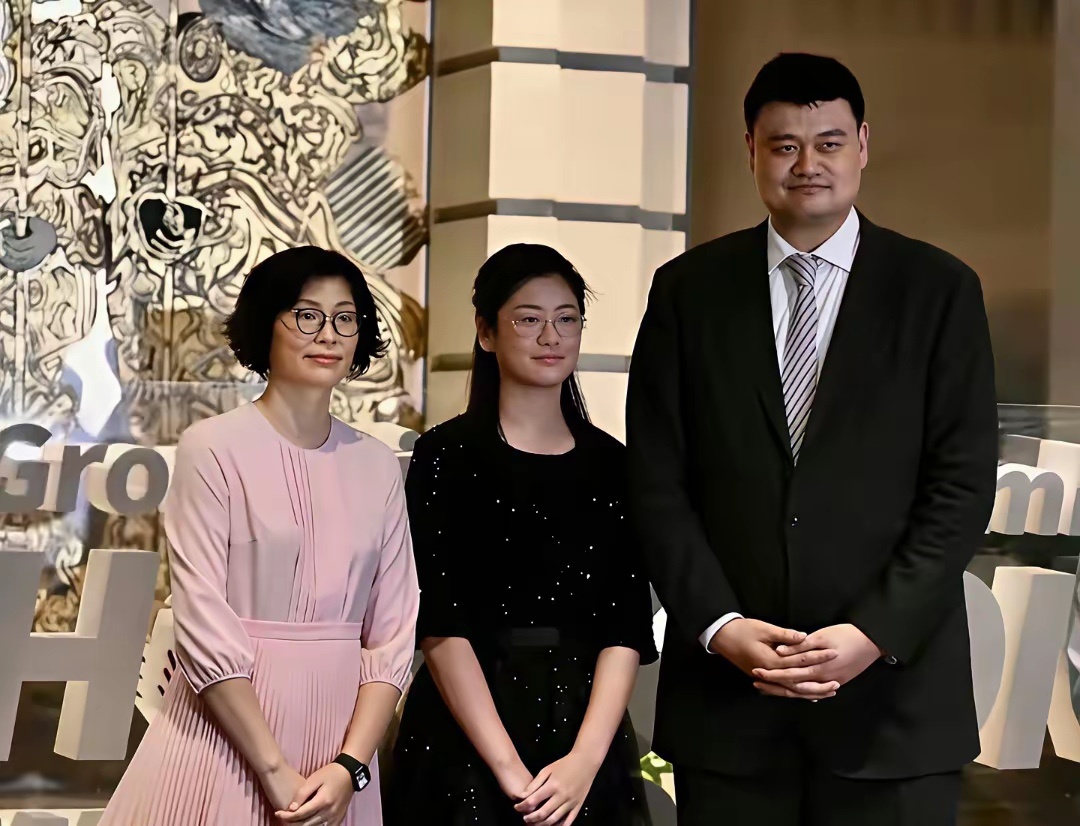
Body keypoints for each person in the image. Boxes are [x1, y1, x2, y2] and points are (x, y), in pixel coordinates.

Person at [626, 53, 999, 825]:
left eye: (828, 143)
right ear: (751, 151)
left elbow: (959, 488)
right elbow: (657, 483)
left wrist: (872, 633)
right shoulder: (688, 291)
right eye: (785, 145)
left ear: (862, 145)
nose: (808, 165)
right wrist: (720, 626)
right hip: (730, 711)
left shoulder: (938, 290)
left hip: (893, 710)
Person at [99, 246, 420, 826]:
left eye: (345, 318)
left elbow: (393, 634)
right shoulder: (212, 447)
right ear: (265, 322)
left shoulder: (377, 465)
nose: (328, 334)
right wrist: (273, 771)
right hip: (226, 738)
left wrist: (351, 766)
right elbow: (201, 619)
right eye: (307, 314)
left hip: (340, 749)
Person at [384, 243, 657, 826]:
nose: (551, 336)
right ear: (486, 332)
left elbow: (626, 624)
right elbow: (440, 623)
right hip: (464, 737)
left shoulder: (615, 464)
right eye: (529, 319)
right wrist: (509, 770)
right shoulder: (444, 456)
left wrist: (585, 761)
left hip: (584, 735)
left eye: (567, 319)